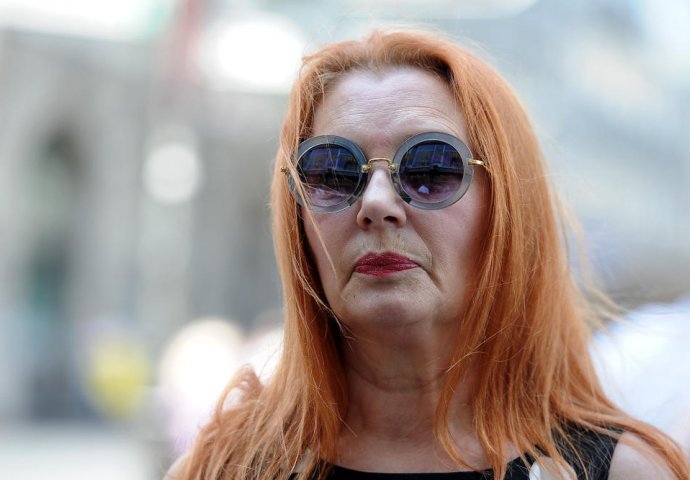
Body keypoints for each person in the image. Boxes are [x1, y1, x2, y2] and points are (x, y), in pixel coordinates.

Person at [169, 29, 690, 479]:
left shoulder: (624, 471)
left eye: (431, 168)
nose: (376, 204)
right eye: (332, 171)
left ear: (506, 211)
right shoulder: (226, 469)